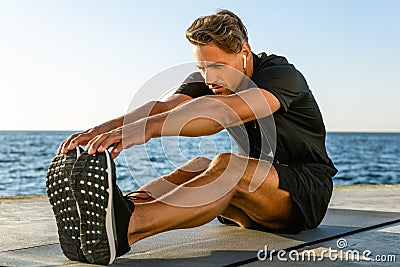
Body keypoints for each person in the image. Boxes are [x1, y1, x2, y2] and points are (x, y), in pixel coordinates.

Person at [48, 9, 337, 265]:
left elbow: (222, 114)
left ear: (244, 52)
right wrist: (104, 129)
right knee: (200, 164)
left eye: (217, 67)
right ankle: (116, 210)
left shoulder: (280, 75)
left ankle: (127, 228)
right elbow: (163, 108)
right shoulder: (211, 79)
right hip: (252, 197)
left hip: (304, 194)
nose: (209, 79)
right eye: (202, 68)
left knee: (228, 165)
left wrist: (147, 130)